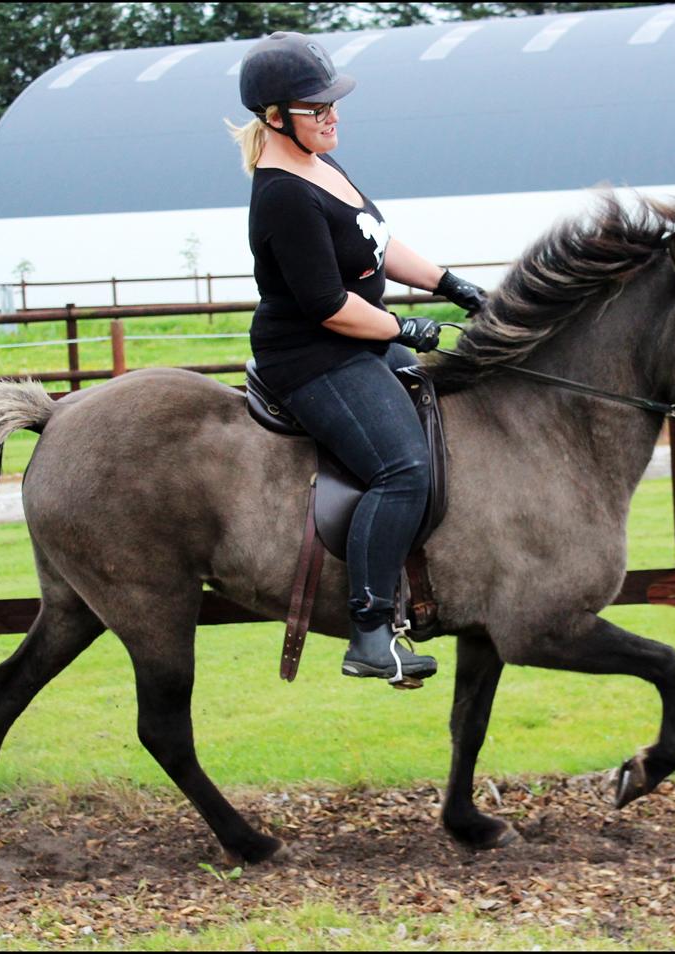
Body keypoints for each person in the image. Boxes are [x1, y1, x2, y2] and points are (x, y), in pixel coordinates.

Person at [228, 32, 487, 684]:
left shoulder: (324, 167)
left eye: (333, 103)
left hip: (358, 342)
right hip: (314, 356)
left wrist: (451, 285)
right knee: (403, 469)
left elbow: (377, 242)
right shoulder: (284, 194)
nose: (333, 115)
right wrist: (405, 325)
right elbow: (327, 305)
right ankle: (370, 633)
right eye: (317, 107)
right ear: (275, 117)